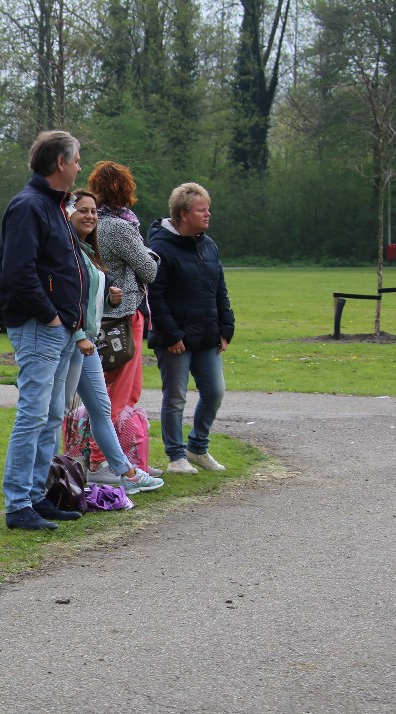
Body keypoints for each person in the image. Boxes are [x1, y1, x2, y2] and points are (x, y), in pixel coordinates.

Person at [0, 130, 88, 531]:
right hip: (39, 327)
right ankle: (18, 503)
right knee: (33, 414)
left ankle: (37, 495)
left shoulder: (54, 206)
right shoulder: (29, 206)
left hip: (62, 327)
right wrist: (49, 315)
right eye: (77, 160)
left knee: (51, 415)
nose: (80, 167)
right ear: (60, 163)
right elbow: (18, 272)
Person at [65, 190, 164, 494]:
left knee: (101, 405)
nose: (90, 216)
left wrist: (109, 299)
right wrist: (79, 335)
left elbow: (88, 298)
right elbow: (65, 298)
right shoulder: (67, 250)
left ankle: (125, 472)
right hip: (71, 342)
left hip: (90, 341)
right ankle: (58, 475)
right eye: (83, 210)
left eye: (93, 210)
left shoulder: (88, 248)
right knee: (57, 411)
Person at [147, 182, 235, 474]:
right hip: (175, 339)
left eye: (208, 209)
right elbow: (154, 296)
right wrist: (171, 334)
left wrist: (226, 327)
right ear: (183, 214)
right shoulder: (160, 248)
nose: (208, 214)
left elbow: (219, 289)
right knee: (176, 398)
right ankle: (176, 456)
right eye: (202, 210)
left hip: (206, 335)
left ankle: (197, 448)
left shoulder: (208, 245)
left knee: (215, 392)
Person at [86, 161, 158, 426]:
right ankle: (102, 448)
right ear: (125, 190)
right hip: (124, 315)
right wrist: (151, 255)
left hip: (97, 313)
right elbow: (149, 271)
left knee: (106, 385)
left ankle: (121, 446)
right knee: (121, 391)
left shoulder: (88, 222)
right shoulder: (121, 228)